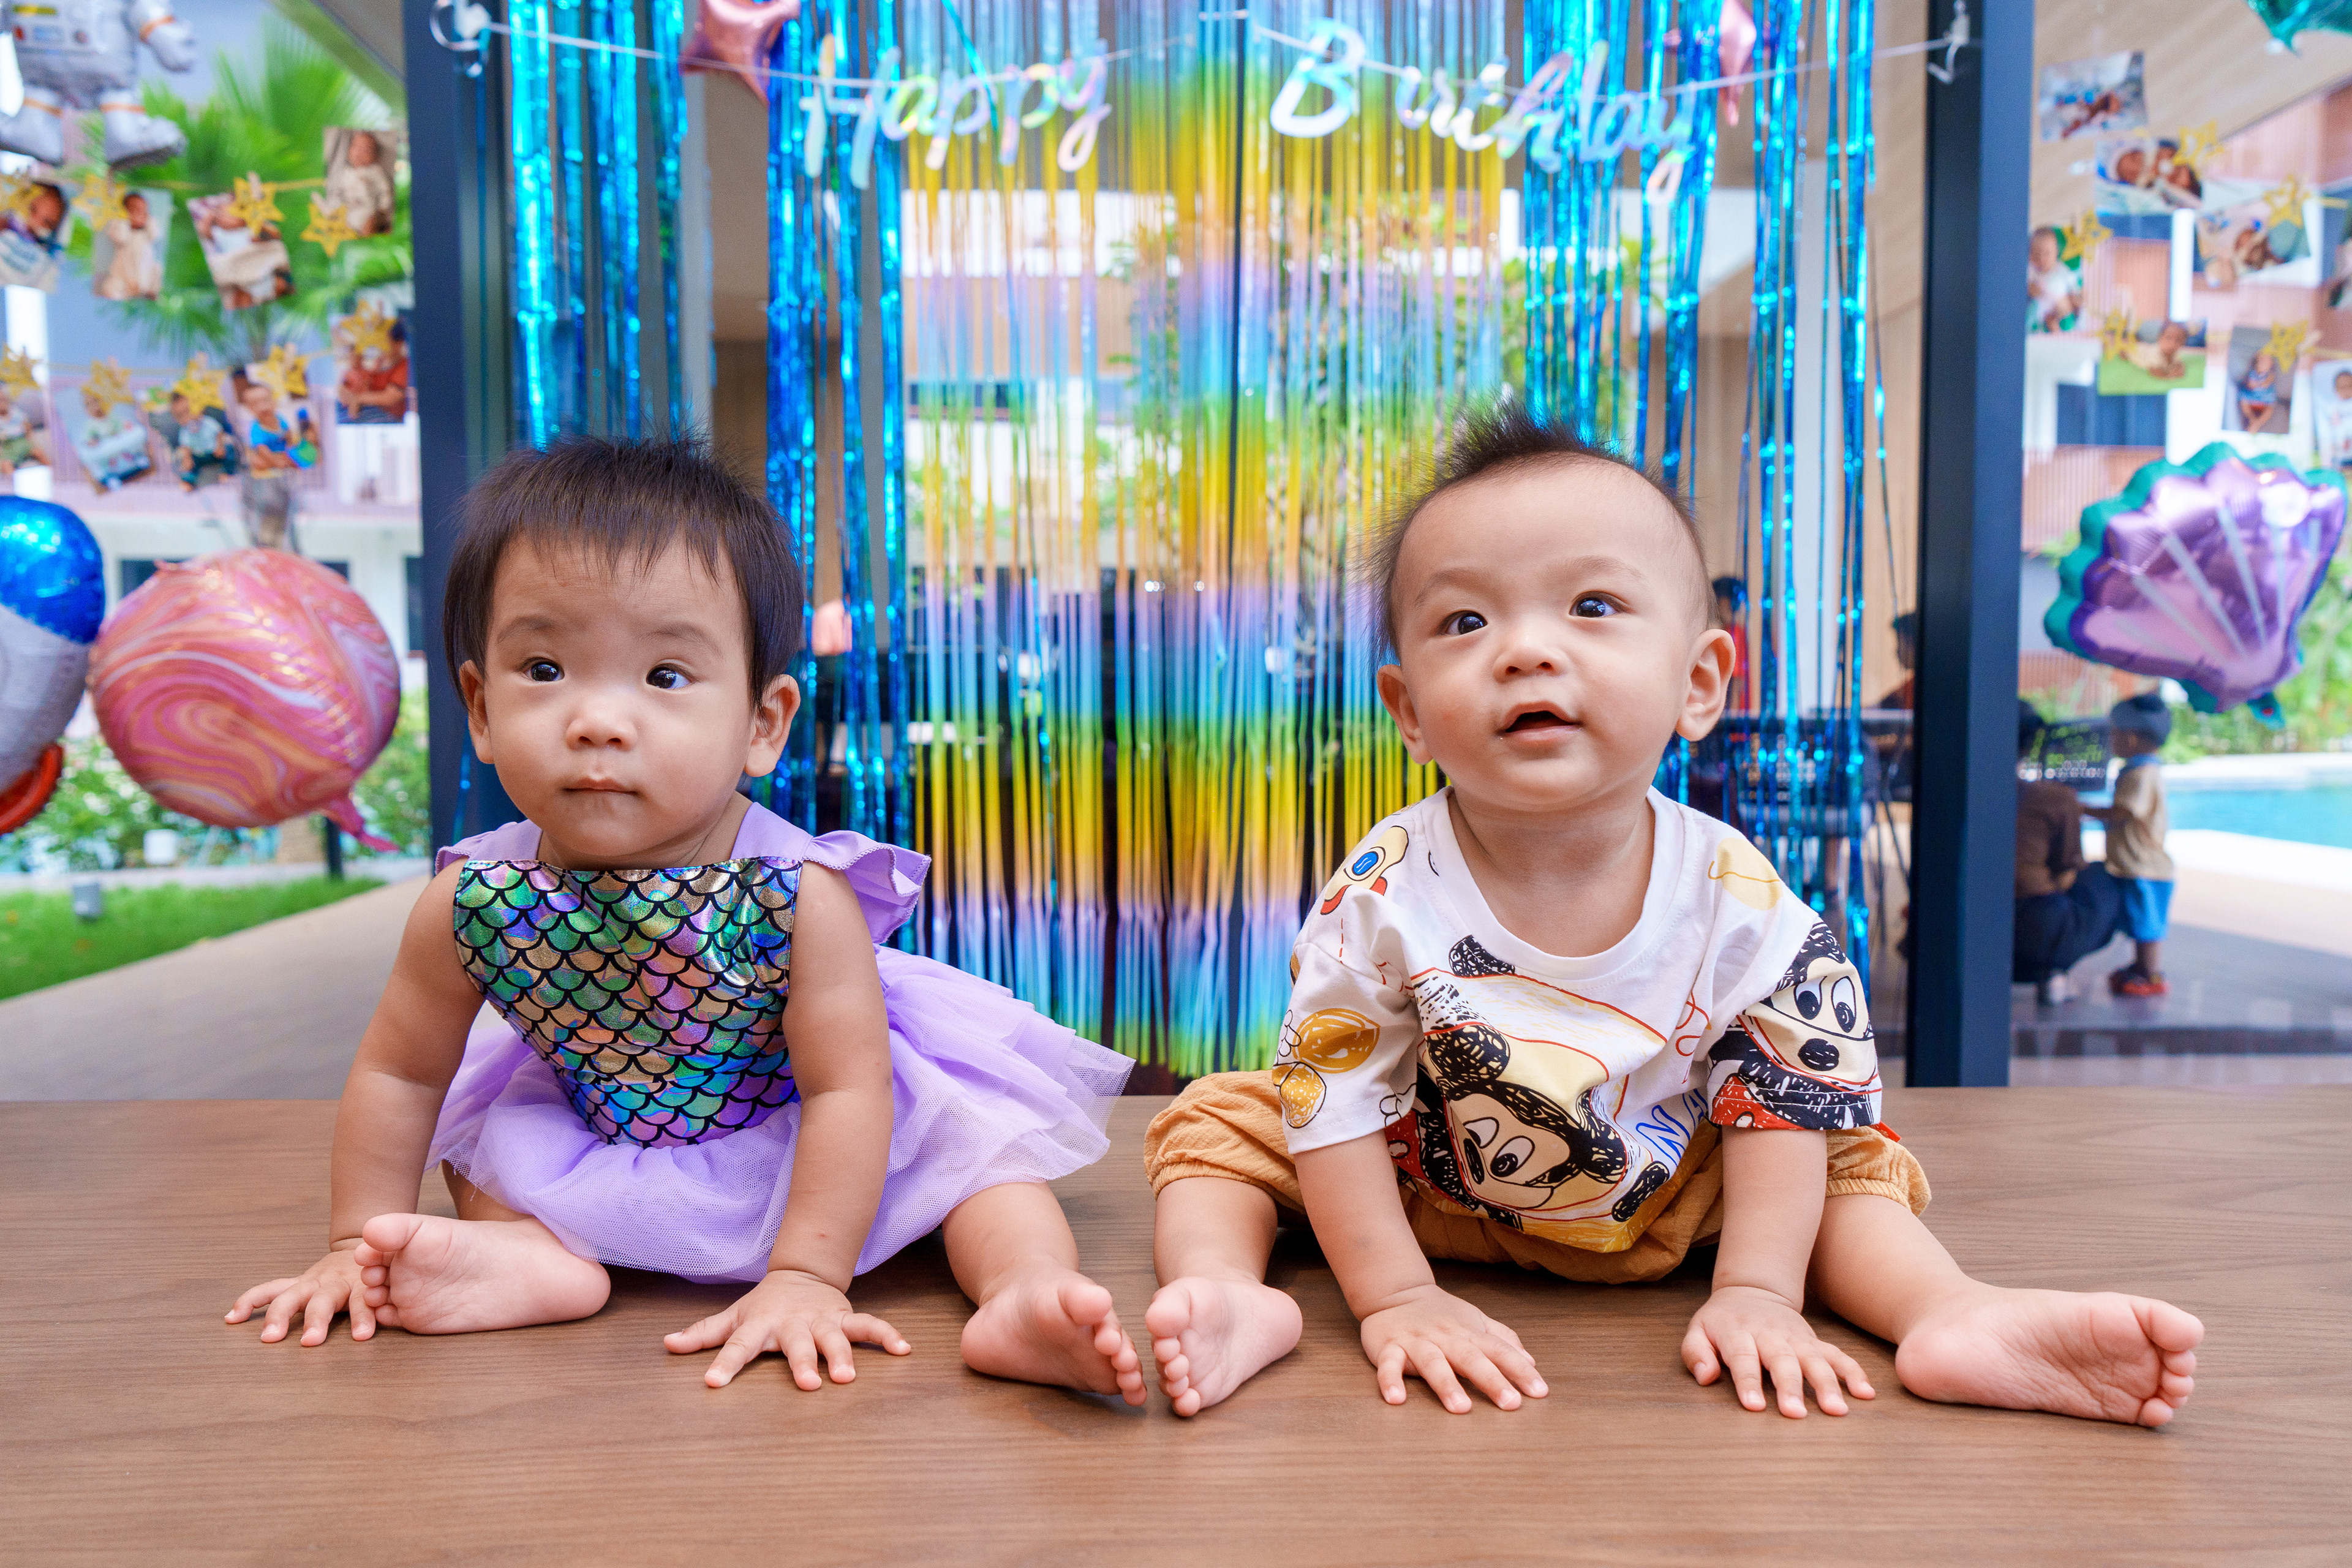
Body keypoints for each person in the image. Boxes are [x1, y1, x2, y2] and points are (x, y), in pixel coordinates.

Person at [1140, 405, 2204, 1428]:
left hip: (1685, 1197)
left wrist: (1758, 1289)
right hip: (1431, 1193)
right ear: (1410, 711)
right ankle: (1226, 1287)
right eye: (1465, 621)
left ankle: (1946, 1311)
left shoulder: (1736, 894)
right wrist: (1396, 1297)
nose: (1524, 650)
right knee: (1228, 1121)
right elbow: (1334, 1097)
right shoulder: (1382, 890)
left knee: (1847, 1162)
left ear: (1699, 683)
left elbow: (1784, 1089)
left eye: (1591, 606)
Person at [225, 437, 1147, 1403]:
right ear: (480, 707)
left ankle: (1024, 1291)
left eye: (664, 677)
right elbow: (401, 1074)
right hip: (610, 1117)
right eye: (544, 667)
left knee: (983, 1169)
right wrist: (351, 1245)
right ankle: (531, 1260)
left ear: (762, 723)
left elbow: (847, 1091)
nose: (597, 721)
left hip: (815, 1124)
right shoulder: (473, 900)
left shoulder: (797, 895)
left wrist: (806, 1277)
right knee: (486, 1148)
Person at [2013, 701, 2122, 1005]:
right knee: (2102, 880)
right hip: (2030, 932)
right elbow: (2067, 868)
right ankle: (2053, 971)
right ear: (2029, 745)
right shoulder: (2055, 798)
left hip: (1952, 925)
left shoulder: (1951, 794)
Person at [2087, 694, 2173, 998]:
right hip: (2136, 864)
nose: (2111, 740)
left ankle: (2149, 973)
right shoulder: (2141, 771)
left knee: (2147, 923)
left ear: (2132, 738)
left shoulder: (2140, 776)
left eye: (2114, 734)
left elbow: (2122, 812)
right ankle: (2141, 967)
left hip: (2143, 867)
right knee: (2140, 921)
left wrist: (2080, 809)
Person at [325, 128, 397, 235]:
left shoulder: (375, 172)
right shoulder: (345, 173)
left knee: (369, 227)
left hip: (368, 211)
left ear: (376, 157)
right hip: (347, 210)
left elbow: (386, 191)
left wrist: (383, 210)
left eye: (367, 150)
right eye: (357, 147)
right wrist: (336, 206)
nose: (361, 153)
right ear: (348, 152)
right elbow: (336, 192)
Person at [94, 190, 162, 301]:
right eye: (135, 210)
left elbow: (155, 235)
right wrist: (124, 220)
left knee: (157, 271)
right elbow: (118, 236)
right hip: (122, 278)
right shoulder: (124, 231)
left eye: (144, 211)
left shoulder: (146, 235)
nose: (141, 214)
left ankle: (149, 294)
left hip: (144, 278)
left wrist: (149, 219)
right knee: (110, 289)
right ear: (125, 212)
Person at [2027, 227, 2079, 334]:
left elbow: (2074, 287)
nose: (2042, 259)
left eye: (2047, 253)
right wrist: (2030, 288)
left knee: (2066, 313)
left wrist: (2075, 298)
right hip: (2040, 312)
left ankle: (2059, 332)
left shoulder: (2061, 270)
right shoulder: (2031, 271)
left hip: (2060, 309)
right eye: (2036, 254)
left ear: (2056, 253)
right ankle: (2041, 330)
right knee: (2032, 312)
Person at [2235, 348, 2282, 434]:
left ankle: (2258, 423)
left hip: (2265, 399)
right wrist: (2253, 385)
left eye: (2266, 362)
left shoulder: (2270, 375)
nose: (2262, 364)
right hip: (2251, 397)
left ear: (2271, 365)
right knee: (2243, 402)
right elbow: (2249, 384)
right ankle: (2252, 419)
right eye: (2261, 361)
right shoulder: (2252, 374)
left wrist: (2259, 384)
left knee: (2270, 409)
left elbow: (2267, 384)